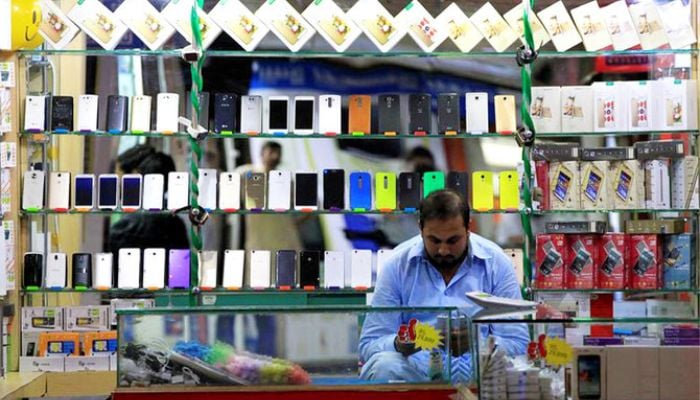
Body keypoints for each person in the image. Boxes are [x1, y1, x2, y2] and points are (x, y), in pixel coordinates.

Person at [358, 190, 528, 382]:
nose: (443, 250)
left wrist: (478, 344)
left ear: (468, 229)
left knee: (517, 369)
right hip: (417, 377)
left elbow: (518, 343)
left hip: (478, 373)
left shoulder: (496, 263)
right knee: (383, 366)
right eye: (434, 240)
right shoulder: (397, 265)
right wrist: (398, 344)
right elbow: (369, 345)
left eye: (453, 240)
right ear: (420, 229)